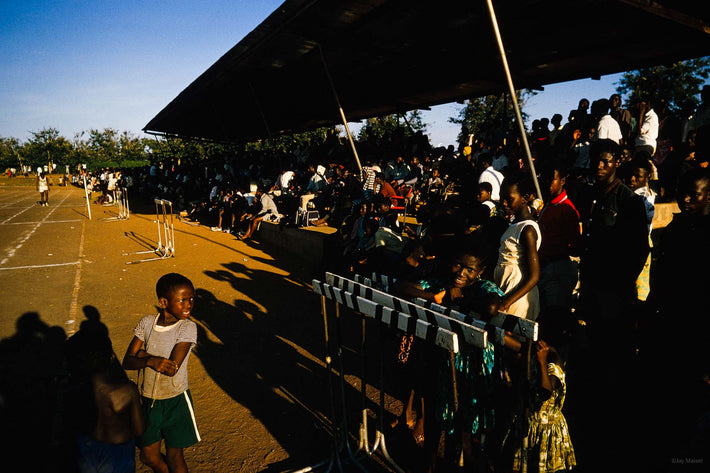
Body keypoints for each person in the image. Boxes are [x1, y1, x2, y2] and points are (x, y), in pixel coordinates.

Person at [122, 273, 200, 473]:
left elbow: (172, 368)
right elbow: (127, 361)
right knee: (148, 456)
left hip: (176, 400)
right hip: (149, 399)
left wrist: (144, 355)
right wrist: (151, 361)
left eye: (191, 298)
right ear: (164, 302)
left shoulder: (188, 327)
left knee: (175, 455)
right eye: (182, 300)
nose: (188, 305)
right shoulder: (147, 323)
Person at [71, 327, 145, 473]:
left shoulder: (76, 391)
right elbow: (139, 429)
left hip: (87, 450)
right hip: (118, 454)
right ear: (111, 358)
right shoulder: (128, 391)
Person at [511, 340, 576, 473]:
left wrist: (542, 361)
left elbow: (546, 392)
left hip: (549, 433)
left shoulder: (553, 361)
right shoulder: (531, 356)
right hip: (530, 428)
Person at [537, 164, 580, 347]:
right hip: (546, 269)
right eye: (545, 178)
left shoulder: (567, 210)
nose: (548, 183)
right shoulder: (548, 204)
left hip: (557, 269)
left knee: (555, 323)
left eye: (552, 178)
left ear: (562, 181)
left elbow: (575, 246)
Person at [494, 173, 542, 321]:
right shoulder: (515, 225)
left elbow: (534, 276)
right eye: (502, 198)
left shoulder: (528, 230)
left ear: (525, 198)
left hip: (517, 296)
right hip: (506, 290)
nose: (504, 203)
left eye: (509, 199)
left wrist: (506, 303)